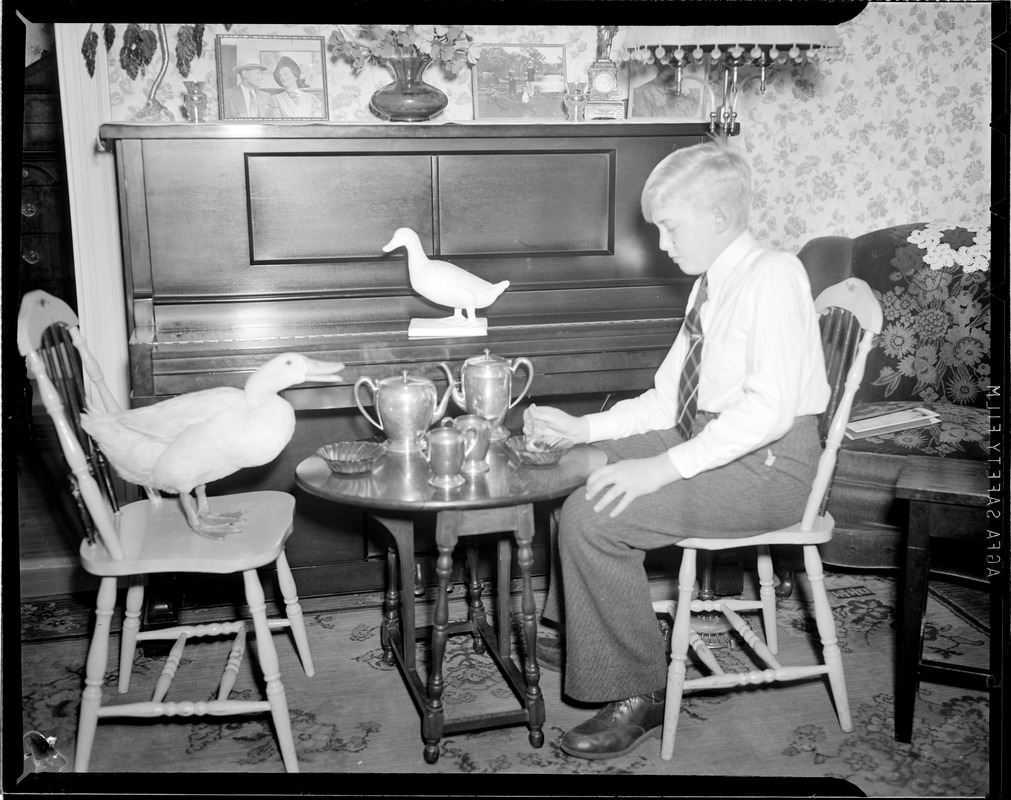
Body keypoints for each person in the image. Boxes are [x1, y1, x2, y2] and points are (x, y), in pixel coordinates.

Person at [523, 139, 830, 760]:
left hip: (771, 466)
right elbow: (670, 401)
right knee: (566, 469)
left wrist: (660, 468)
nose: (662, 243)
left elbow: (768, 413)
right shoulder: (709, 285)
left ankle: (639, 690)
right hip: (711, 435)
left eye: (670, 226)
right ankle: (583, 627)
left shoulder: (774, 275)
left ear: (718, 216)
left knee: (594, 514)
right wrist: (583, 430)